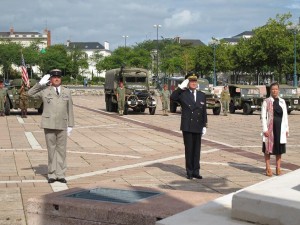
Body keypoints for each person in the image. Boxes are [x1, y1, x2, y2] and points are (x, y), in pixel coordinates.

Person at [28, 69, 74, 183]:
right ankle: (52, 174)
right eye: (54, 77)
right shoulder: (45, 91)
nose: (56, 79)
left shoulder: (66, 92)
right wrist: (39, 84)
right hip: (49, 124)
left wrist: (71, 125)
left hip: (62, 124)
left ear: (61, 79)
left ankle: (61, 174)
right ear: (51, 79)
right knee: (51, 150)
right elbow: (29, 94)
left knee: (62, 151)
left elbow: (70, 109)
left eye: (58, 77)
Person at [170, 73, 208, 179]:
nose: (194, 83)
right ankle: (189, 172)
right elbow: (173, 97)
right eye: (191, 81)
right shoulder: (183, 94)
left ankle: (196, 171)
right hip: (187, 125)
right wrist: (181, 87)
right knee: (189, 149)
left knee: (197, 150)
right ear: (187, 83)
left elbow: (203, 111)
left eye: (195, 81)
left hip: (198, 125)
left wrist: (205, 125)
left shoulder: (201, 95)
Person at [261, 82, 289, 177]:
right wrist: (265, 129)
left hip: (280, 127)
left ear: (278, 90)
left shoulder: (282, 101)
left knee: (279, 149)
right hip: (270, 128)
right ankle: (268, 168)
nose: (274, 91)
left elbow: (285, 116)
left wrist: (286, 128)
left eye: (276, 89)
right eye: (273, 89)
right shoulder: (266, 101)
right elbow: (263, 116)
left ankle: (278, 168)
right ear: (270, 90)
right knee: (268, 149)